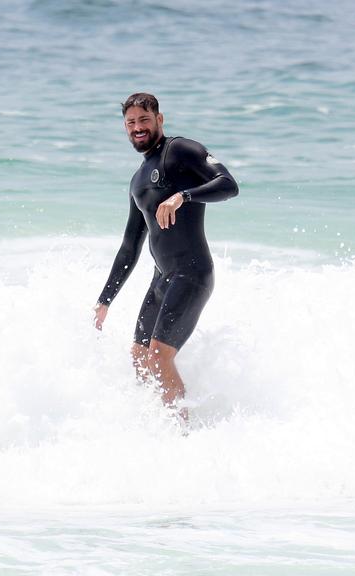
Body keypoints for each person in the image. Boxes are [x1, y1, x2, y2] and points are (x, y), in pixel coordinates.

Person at [94, 93, 238, 417]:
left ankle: (183, 435)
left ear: (159, 120)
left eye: (144, 120)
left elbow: (228, 184)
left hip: (192, 272)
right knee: (139, 355)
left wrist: (182, 197)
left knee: (159, 355)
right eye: (130, 123)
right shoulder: (137, 180)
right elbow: (129, 246)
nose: (137, 128)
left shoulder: (181, 151)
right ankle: (159, 426)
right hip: (163, 277)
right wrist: (105, 301)